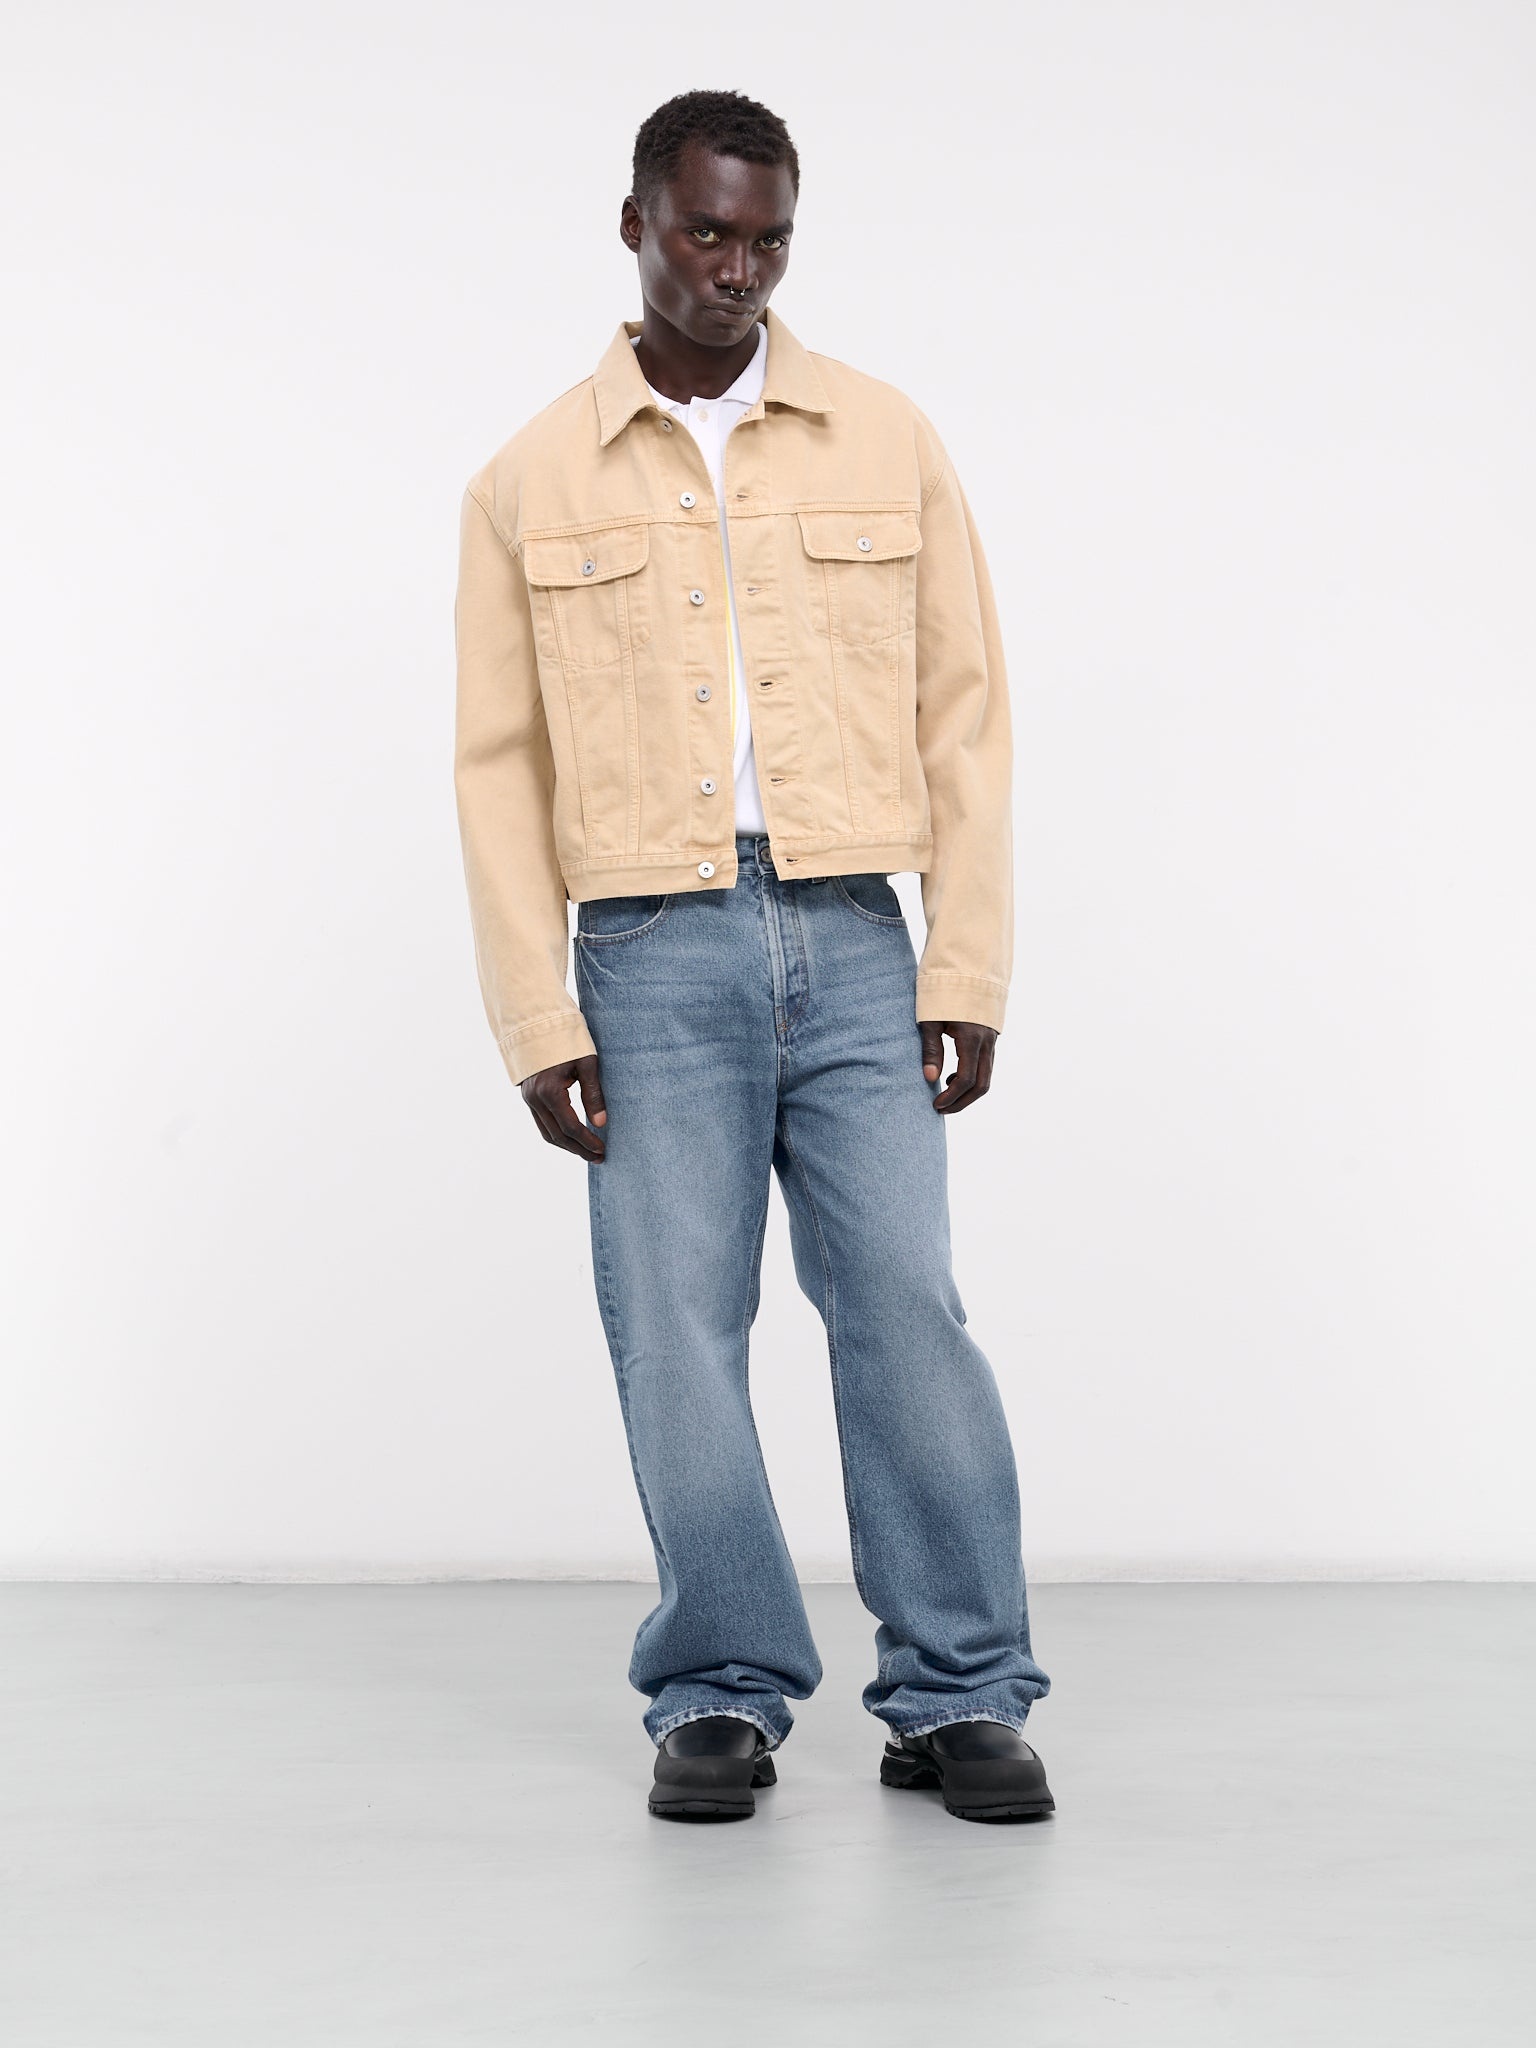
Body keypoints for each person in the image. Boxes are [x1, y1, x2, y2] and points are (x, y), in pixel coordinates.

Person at [453, 88, 1053, 1823]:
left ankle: (958, 1691)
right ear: (635, 224)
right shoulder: (526, 480)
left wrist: (967, 967)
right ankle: (717, 1687)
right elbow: (498, 767)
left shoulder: (885, 436)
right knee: (676, 1328)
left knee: (907, 1310)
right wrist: (536, 1012)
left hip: (857, 931)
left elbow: (966, 713)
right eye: (707, 232)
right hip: (647, 948)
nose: (738, 269)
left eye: (768, 239)